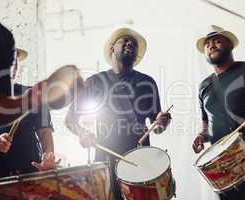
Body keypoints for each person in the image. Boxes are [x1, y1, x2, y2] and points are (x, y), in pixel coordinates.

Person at [65, 27, 172, 199]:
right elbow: (70, 119)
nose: (130, 43)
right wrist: (82, 133)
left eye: (134, 44)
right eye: (125, 40)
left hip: (141, 162)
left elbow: (157, 127)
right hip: (105, 160)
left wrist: (163, 122)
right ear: (112, 48)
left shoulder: (147, 83)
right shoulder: (94, 82)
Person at [193, 25, 245, 200]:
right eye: (207, 44)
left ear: (230, 45)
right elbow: (207, 125)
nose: (211, 45)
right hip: (223, 170)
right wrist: (201, 136)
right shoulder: (204, 86)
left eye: (216, 40)